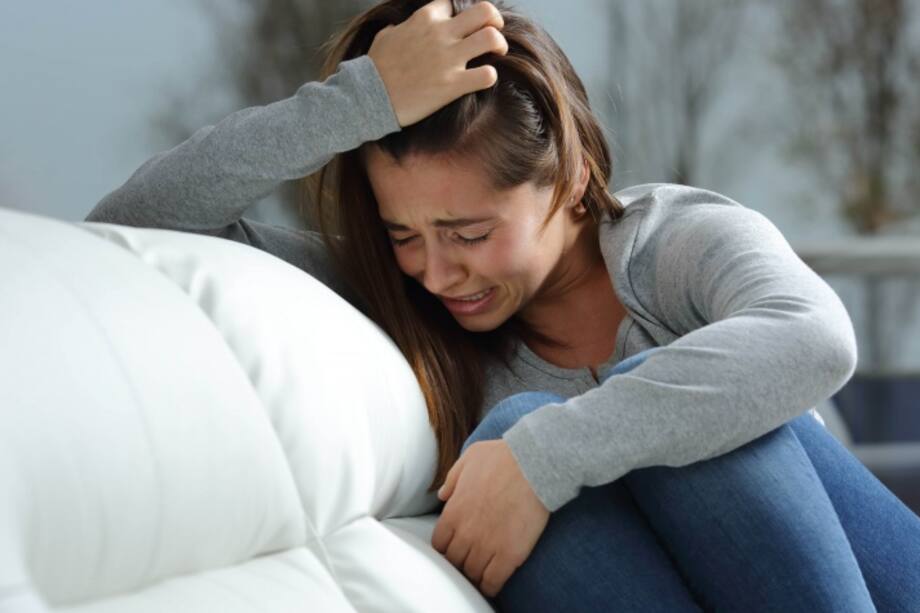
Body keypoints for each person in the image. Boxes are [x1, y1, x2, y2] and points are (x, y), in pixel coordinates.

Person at [85, 0, 920, 610]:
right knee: (508, 426)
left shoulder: (670, 243)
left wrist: (547, 454)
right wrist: (359, 102)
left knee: (614, 412)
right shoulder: (388, 296)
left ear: (572, 180)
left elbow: (815, 338)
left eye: (469, 230)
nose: (438, 272)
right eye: (404, 233)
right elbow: (130, 222)